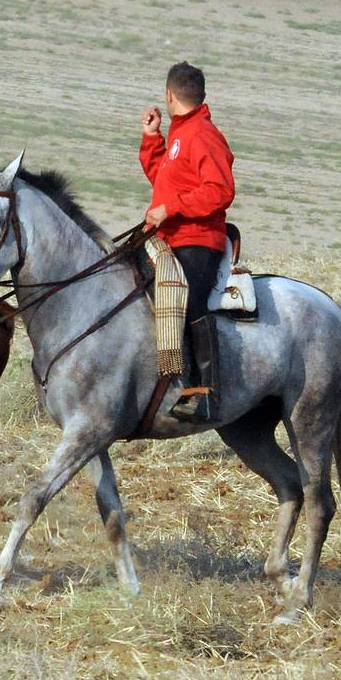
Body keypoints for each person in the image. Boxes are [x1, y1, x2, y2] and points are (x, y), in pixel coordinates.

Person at [140, 61, 235, 422]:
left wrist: (172, 208)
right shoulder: (182, 133)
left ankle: (206, 391)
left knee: (191, 298)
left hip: (197, 239)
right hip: (169, 236)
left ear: (168, 95)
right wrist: (152, 139)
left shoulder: (203, 135)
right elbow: (166, 180)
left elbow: (221, 190)